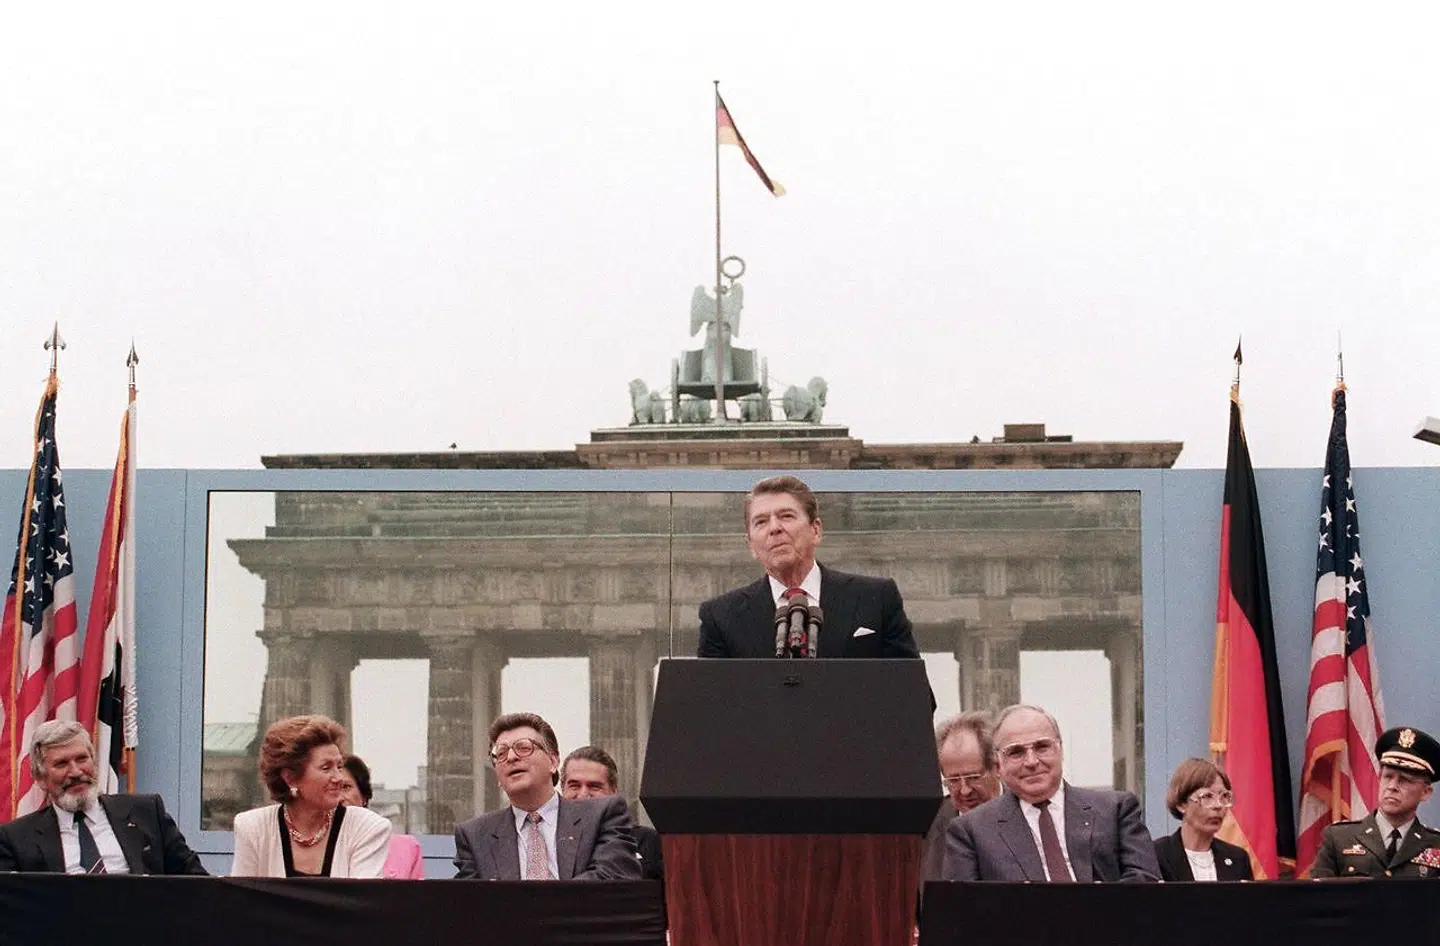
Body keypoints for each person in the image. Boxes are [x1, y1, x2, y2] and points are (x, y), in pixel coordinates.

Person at [697, 475, 921, 659]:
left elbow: (914, 697)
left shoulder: (876, 599)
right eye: (761, 522)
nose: (774, 528)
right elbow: (708, 707)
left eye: (786, 516)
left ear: (815, 530)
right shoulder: (721, 617)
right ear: (751, 546)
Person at [942, 703, 1160, 882]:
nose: (1031, 762)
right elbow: (965, 913)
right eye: (1016, 752)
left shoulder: (1115, 810)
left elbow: (1145, 883)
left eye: (1042, 747)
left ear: (1060, 749)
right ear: (999, 763)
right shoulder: (972, 831)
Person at [0, 720, 206, 874]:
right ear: (40, 778)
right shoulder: (16, 839)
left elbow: (196, 881)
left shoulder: (147, 812)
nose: (75, 771)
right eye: (61, 764)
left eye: (82, 759)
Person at [453, 712, 640, 881]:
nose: (511, 757)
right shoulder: (475, 836)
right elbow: (469, 905)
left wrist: (540, 906)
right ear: (498, 777)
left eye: (523, 748)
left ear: (553, 761)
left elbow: (614, 877)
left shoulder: (602, 815)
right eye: (500, 753)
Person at [231, 714, 391, 878]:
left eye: (339, 766)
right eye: (326, 768)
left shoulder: (367, 828)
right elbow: (241, 900)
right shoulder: (252, 828)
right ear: (290, 778)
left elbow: (361, 901)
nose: (339, 778)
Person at [1309, 725, 1440, 879]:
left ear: (1425, 792)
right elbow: (1318, 899)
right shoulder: (1338, 838)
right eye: (1388, 777)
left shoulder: (1435, 844)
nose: (1392, 787)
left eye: (1404, 780)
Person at [561, 744, 663, 880]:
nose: (583, 795)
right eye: (574, 786)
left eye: (594, 786)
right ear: (562, 789)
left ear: (613, 791)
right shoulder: (549, 841)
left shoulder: (647, 842)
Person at [921, 711, 1001, 883]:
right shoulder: (931, 821)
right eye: (954, 780)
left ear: (996, 767)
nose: (964, 791)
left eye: (973, 777)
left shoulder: (1025, 809)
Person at [1153, 758, 1253, 881]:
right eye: (1207, 796)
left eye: (1224, 797)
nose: (1218, 805)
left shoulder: (1237, 858)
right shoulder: (1156, 856)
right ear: (1182, 804)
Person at [338, 754, 425, 879]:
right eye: (333, 789)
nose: (339, 797)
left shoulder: (407, 848)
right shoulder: (317, 847)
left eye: (346, 787)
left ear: (364, 796)